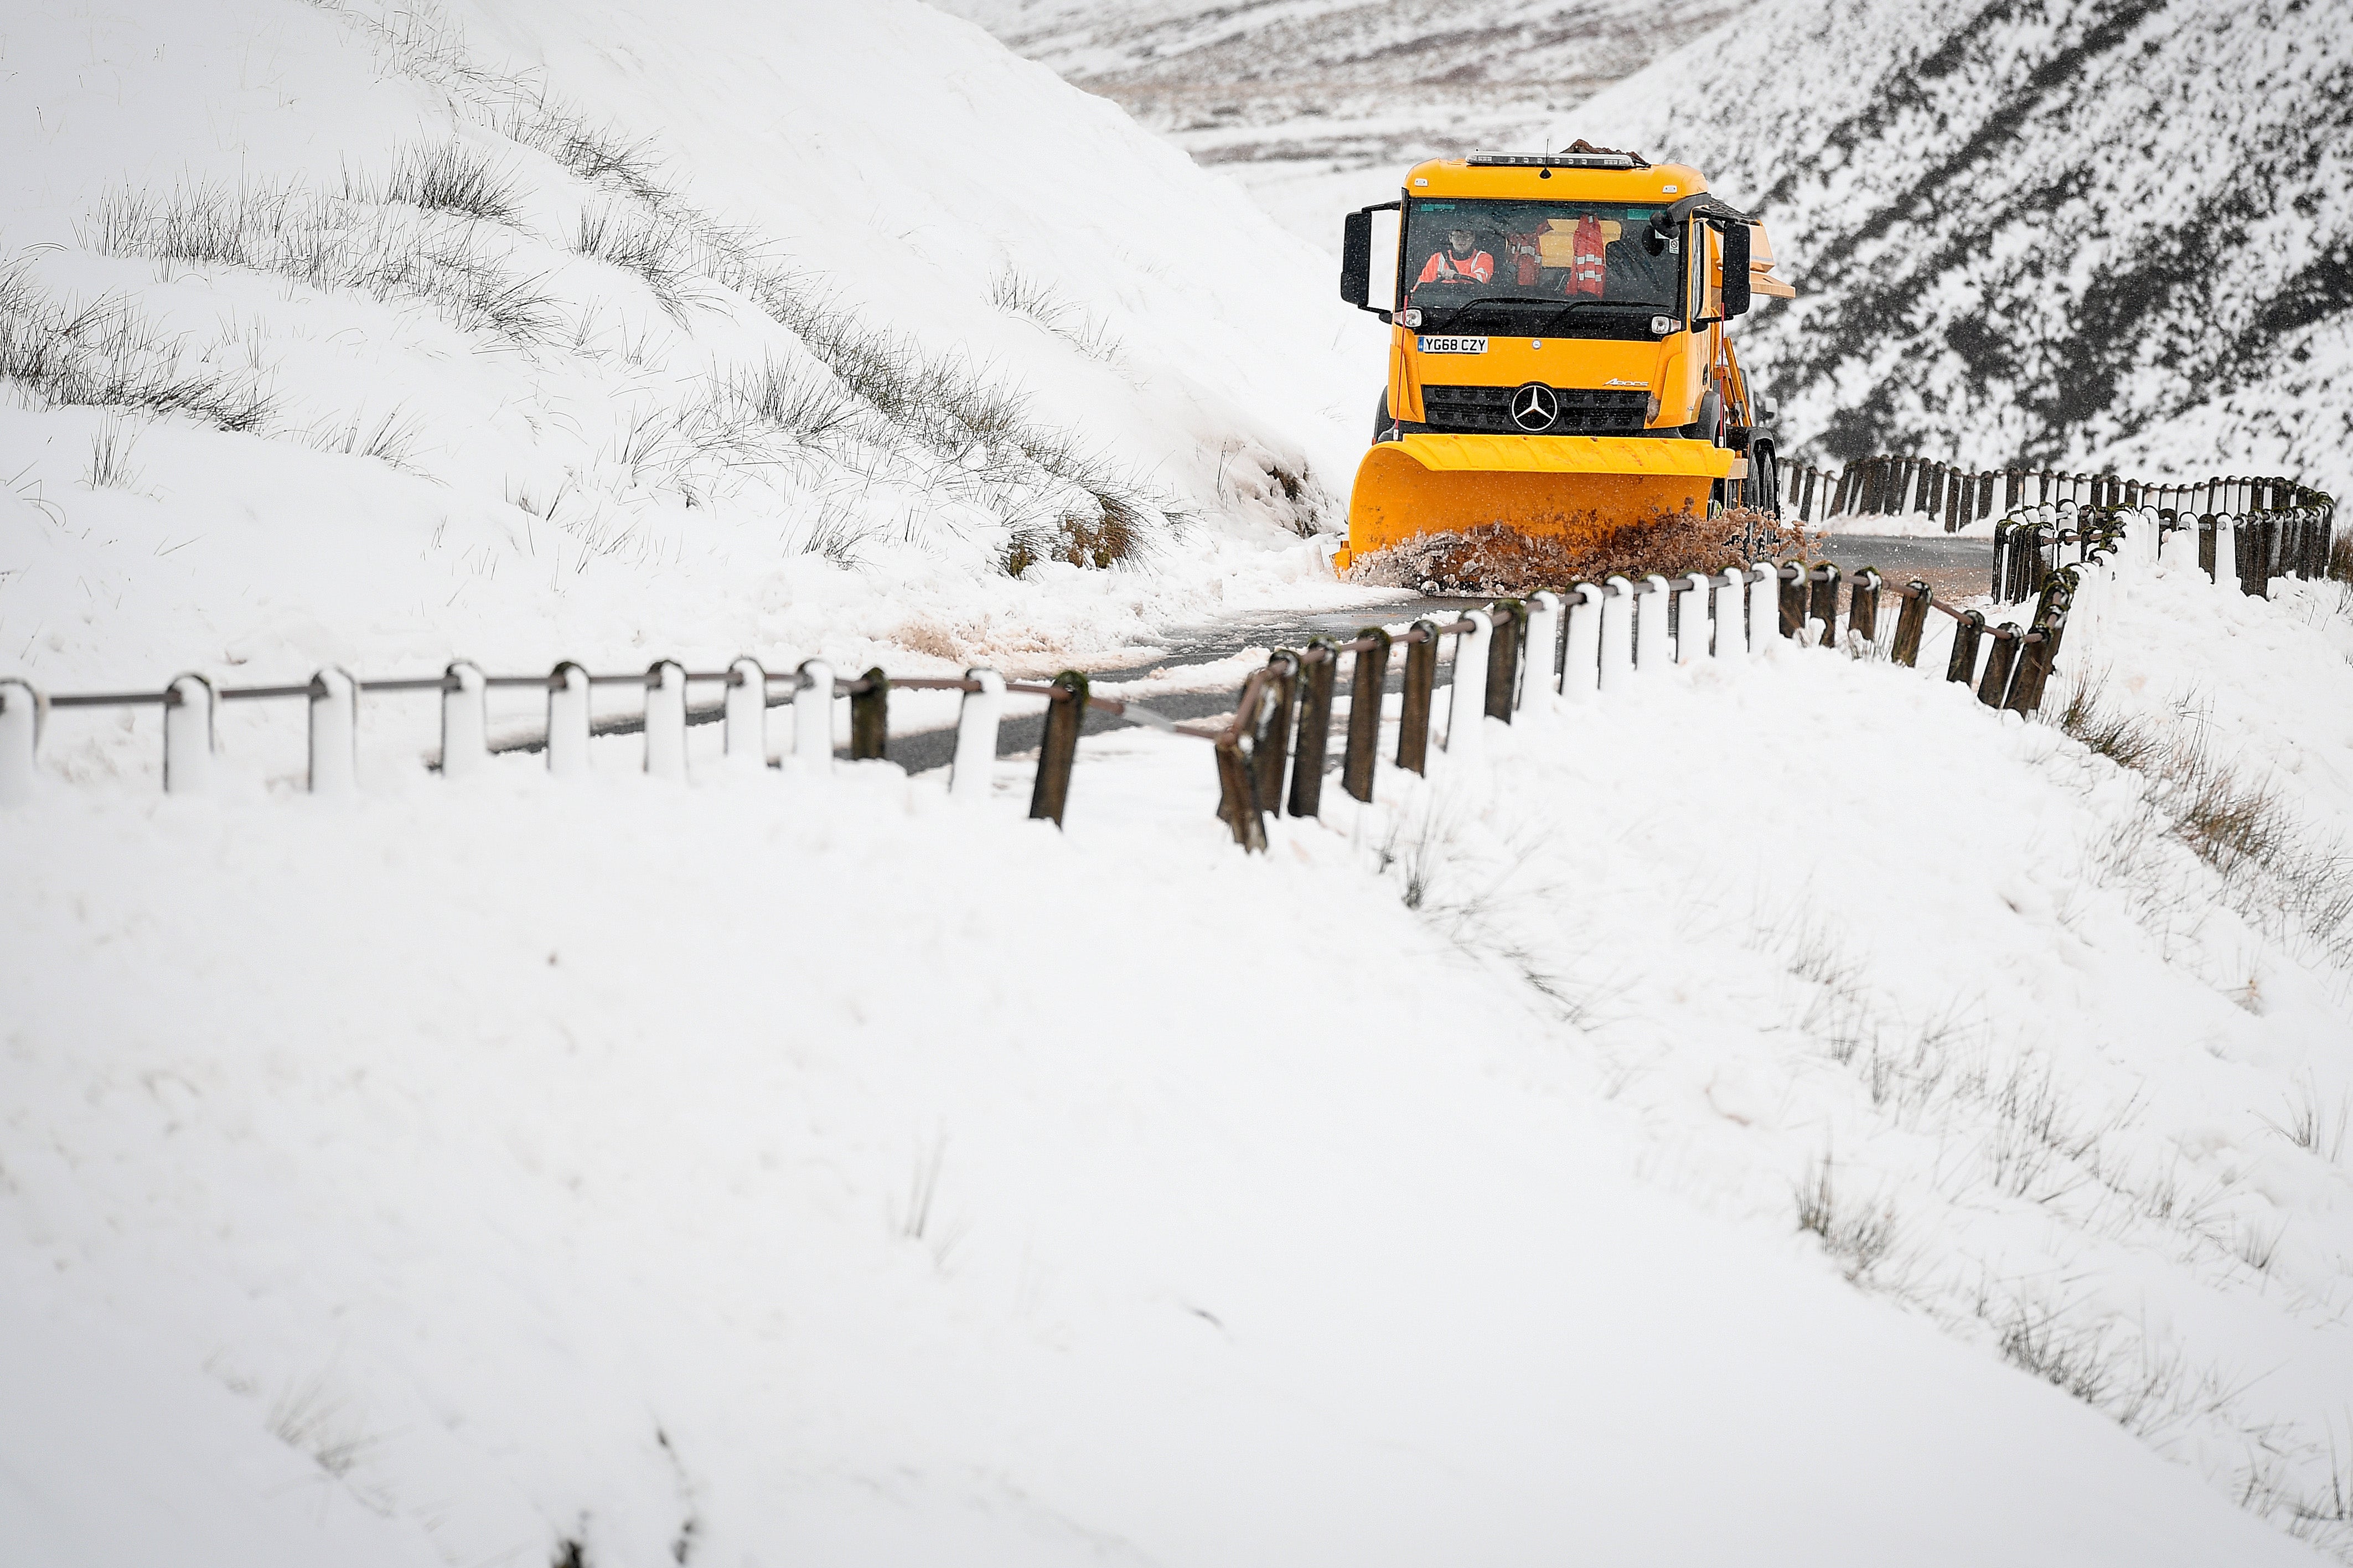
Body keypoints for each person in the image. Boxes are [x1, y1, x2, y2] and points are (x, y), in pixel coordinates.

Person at [1415, 226, 1493, 286]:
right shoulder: (1437, 259)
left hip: (1474, 305)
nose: (1461, 240)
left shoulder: (1484, 257)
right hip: (1439, 305)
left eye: (1466, 236)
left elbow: (1481, 279)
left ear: (1473, 238)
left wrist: (1455, 276)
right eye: (1457, 236)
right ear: (1450, 238)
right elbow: (1421, 287)